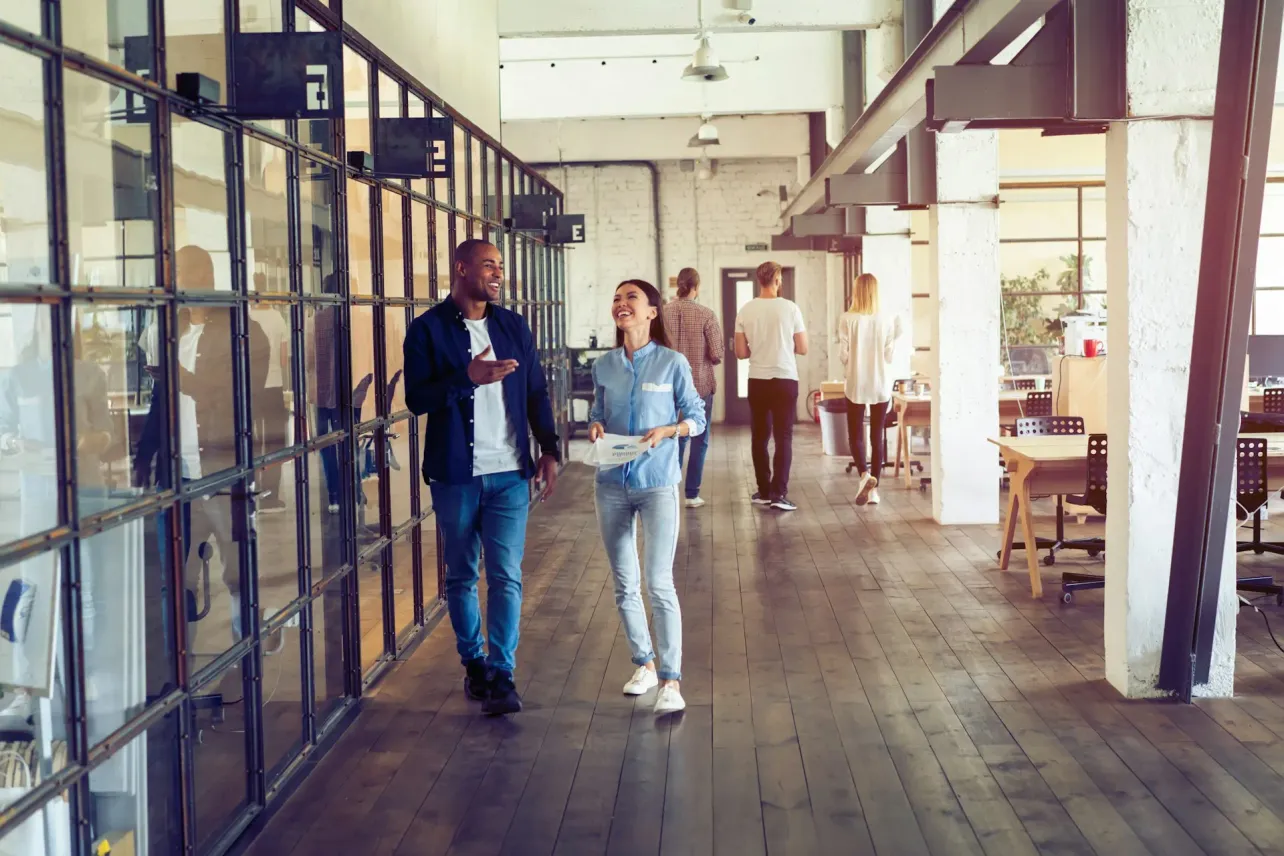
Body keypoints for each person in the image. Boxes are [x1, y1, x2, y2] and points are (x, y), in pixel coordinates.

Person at [404, 239, 561, 716]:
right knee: (462, 574)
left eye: (500, 266)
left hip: (510, 473)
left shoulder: (513, 326)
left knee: (507, 576)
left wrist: (550, 448)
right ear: (461, 269)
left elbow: (535, 391)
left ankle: (502, 672)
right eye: (488, 265)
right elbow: (417, 400)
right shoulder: (427, 330)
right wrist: (466, 378)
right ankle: (474, 665)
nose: (497, 273)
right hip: (456, 475)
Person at [588, 280, 705, 715]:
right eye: (616, 298)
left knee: (658, 582)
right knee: (624, 583)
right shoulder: (605, 366)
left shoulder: (672, 363)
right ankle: (645, 664)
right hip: (612, 484)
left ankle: (672, 679)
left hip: (657, 483)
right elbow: (599, 412)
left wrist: (670, 430)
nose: (621, 304)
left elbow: (697, 418)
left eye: (631, 298)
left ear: (652, 312)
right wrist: (596, 425)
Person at [733, 261, 807, 512]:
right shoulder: (791, 309)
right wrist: (784, 345)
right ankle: (779, 494)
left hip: (758, 380)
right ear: (777, 280)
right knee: (783, 436)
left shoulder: (745, 310)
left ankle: (763, 491)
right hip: (785, 378)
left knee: (760, 436)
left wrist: (760, 346)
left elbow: (740, 352)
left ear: (759, 280)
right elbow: (804, 348)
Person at [837, 272, 903, 506]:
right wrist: (896, 336)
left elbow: (843, 355)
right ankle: (874, 490)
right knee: (877, 436)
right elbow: (888, 355)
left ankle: (864, 475)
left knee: (855, 433)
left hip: (856, 382)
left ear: (856, 291)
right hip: (880, 383)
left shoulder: (847, 318)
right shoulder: (886, 319)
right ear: (876, 292)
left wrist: (850, 359)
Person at [661, 267, 724, 508]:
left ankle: (669, 491)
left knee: (673, 437)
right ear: (696, 288)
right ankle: (691, 494)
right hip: (700, 386)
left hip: (666, 387)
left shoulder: (662, 314)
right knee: (699, 438)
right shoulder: (707, 314)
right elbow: (717, 354)